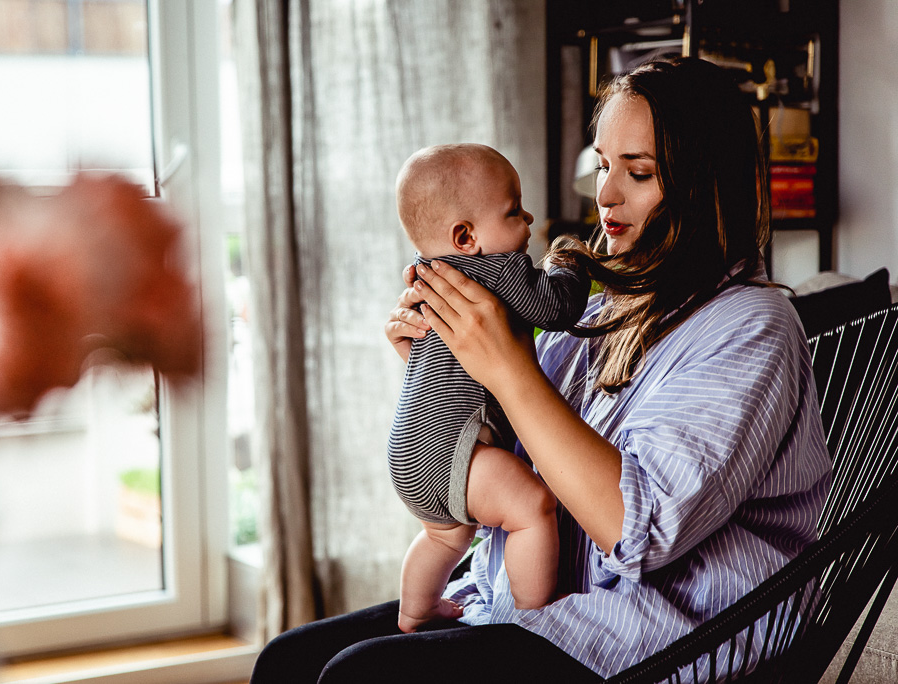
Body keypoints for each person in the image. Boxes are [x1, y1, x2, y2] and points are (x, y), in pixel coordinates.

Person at [250, 57, 831, 683]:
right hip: (543, 604)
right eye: (604, 165)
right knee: (288, 662)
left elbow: (639, 531)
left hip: (658, 636)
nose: (605, 194)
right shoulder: (607, 310)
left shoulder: (751, 326)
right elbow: (525, 455)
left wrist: (505, 368)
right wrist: (447, 368)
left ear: (705, 185)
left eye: (637, 172)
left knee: (359, 676)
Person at [388, 143, 590, 632]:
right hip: (458, 451)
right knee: (533, 507)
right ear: (466, 236)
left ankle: (415, 611)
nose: (528, 219)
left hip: (408, 450)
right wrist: (571, 262)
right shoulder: (498, 270)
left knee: (442, 537)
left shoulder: (426, 274)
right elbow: (556, 308)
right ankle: (533, 613)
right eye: (513, 210)